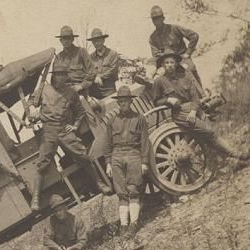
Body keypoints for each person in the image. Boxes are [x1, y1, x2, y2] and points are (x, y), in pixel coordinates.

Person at [27, 64, 112, 211]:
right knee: (42, 164)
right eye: (58, 74)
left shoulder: (71, 91)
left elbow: (80, 112)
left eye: (63, 74)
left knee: (83, 155)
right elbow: (30, 105)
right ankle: (35, 199)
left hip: (64, 129)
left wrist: (75, 126)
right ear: (53, 76)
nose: (60, 77)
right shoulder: (43, 90)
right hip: (48, 130)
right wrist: (32, 111)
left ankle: (99, 183)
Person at [153, 52, 249, 161]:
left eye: (172, 62)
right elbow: (156, 102)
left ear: (176, 64)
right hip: (180, 113)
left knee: (210, 135)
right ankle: (237, 155)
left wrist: (193, 111)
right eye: (167, 63)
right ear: (163, 65)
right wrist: (168, 100)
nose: (169, 65)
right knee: (209, 132)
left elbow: (195, 97)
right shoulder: (159, 82)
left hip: (194, 108)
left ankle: (224, 160)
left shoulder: (185, 77)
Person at [105, 86, 150, 237]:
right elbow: (107, 144)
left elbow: (145, 141)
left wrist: (144, 162)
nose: (123, 103)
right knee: (121, 193)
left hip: (133, 154)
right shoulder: (112, 121)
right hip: (116, 156)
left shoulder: (139, 119)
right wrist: (108, 163)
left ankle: (134, 224)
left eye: (125, 101)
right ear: (118, 103)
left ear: (131, 101)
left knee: (133, 189)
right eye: (121, 101)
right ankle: (124, 226)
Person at [149, 5, 201, 85]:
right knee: (158, 79)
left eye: (158, 18)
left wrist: (188, 53)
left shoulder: (174, 28)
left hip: (181, 58)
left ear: (163, 18)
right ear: (152, 21)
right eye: (154, 19)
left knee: (190, 68)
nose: (156, 21)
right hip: (167, 62)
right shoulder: (153, 37)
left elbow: (194, 36)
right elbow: (156, 55)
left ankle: (201, 94)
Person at [54, 26, 95, 94]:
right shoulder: (58, 57)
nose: (66, 41)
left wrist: (82, 85)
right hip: (63, 92)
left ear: (72, 39)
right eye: (64, 38)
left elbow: (92, 71)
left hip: (80, 91)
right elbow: (54, 79)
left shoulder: (81, 52)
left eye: (68, 38)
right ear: (60, 40)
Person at [87, 28, 120, 99]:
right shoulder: (90, 57)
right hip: (95, 93)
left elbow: (113, 70)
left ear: (103, 40)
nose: (96, 43)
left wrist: (100, 77)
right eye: (94, 41)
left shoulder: (112, 54)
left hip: (109, 91)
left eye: (98, 41)